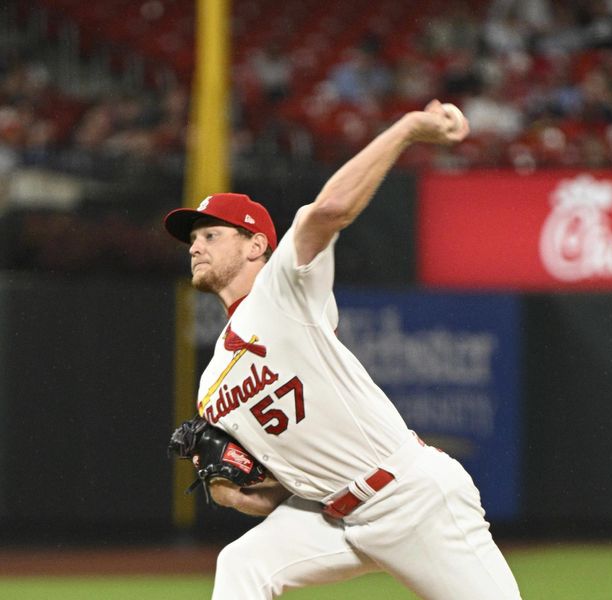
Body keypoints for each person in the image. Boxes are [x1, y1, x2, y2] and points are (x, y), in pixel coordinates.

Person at [163, 100, 521, 600]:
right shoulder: (211, 384)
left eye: (210, 235)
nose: (195, 247)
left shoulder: (283, 291)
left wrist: (410, 128)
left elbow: (328, 211)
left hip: (410, 499)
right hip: (331, 516)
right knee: (242, 563)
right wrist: (233, 493)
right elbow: (283, 492)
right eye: (192, 239)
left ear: (254, 246)